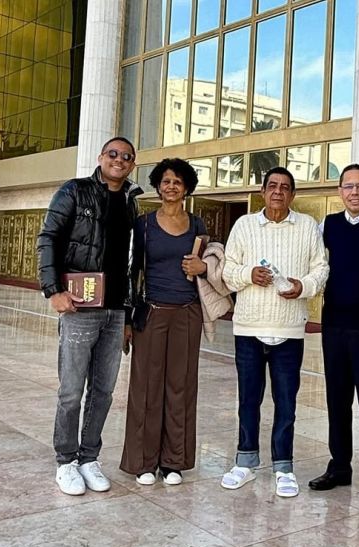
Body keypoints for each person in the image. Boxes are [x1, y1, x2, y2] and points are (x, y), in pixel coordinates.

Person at [37, 137, 143, 495]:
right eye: (113, 154)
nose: (119, 160)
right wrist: (53, 290)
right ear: (101, 157)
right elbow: (49, 238)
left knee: (103, 392)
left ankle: (89, 458)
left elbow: (132, 264)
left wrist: (128, 315)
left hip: (115, 310)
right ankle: (66, 461)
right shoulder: (74, 191)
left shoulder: (130, 203)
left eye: (126, 157)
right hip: (80, 307)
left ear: (132, 164)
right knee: (71, 391)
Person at [220, 166, 329, 498]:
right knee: (248, 399)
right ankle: (245, 461)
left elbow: (321, 268)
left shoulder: (307, 226)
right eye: (272, 186)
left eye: (284, 187)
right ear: (262, 191)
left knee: (286, 402)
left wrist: (303, 286)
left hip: (289, 329)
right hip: (249, 328)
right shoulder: (244, 225)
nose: (278, 192)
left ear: (292, 194)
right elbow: (227, 269)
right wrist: (249, 274)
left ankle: (284, 466)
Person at [119, 158, 208, 486]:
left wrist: (203, 268)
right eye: (166, 181)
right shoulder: (143, 225)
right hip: (151, 312)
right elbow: (131, 272)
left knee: (181, 387)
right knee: (146, 387)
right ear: (158, 186)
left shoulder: (197, 225)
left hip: (187, 313)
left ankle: (173, 462)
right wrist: (127, 319)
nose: (171, 186)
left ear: (187, 188)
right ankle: (143, 461)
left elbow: (210, 265)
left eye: (178, 182)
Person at [308, 164, 359, 504]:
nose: (354, 192)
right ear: (340, 191)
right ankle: (339, 467)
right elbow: (311, 261)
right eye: (348, 186)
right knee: (337, 400)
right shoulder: (327, 225)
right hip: (334, 327)